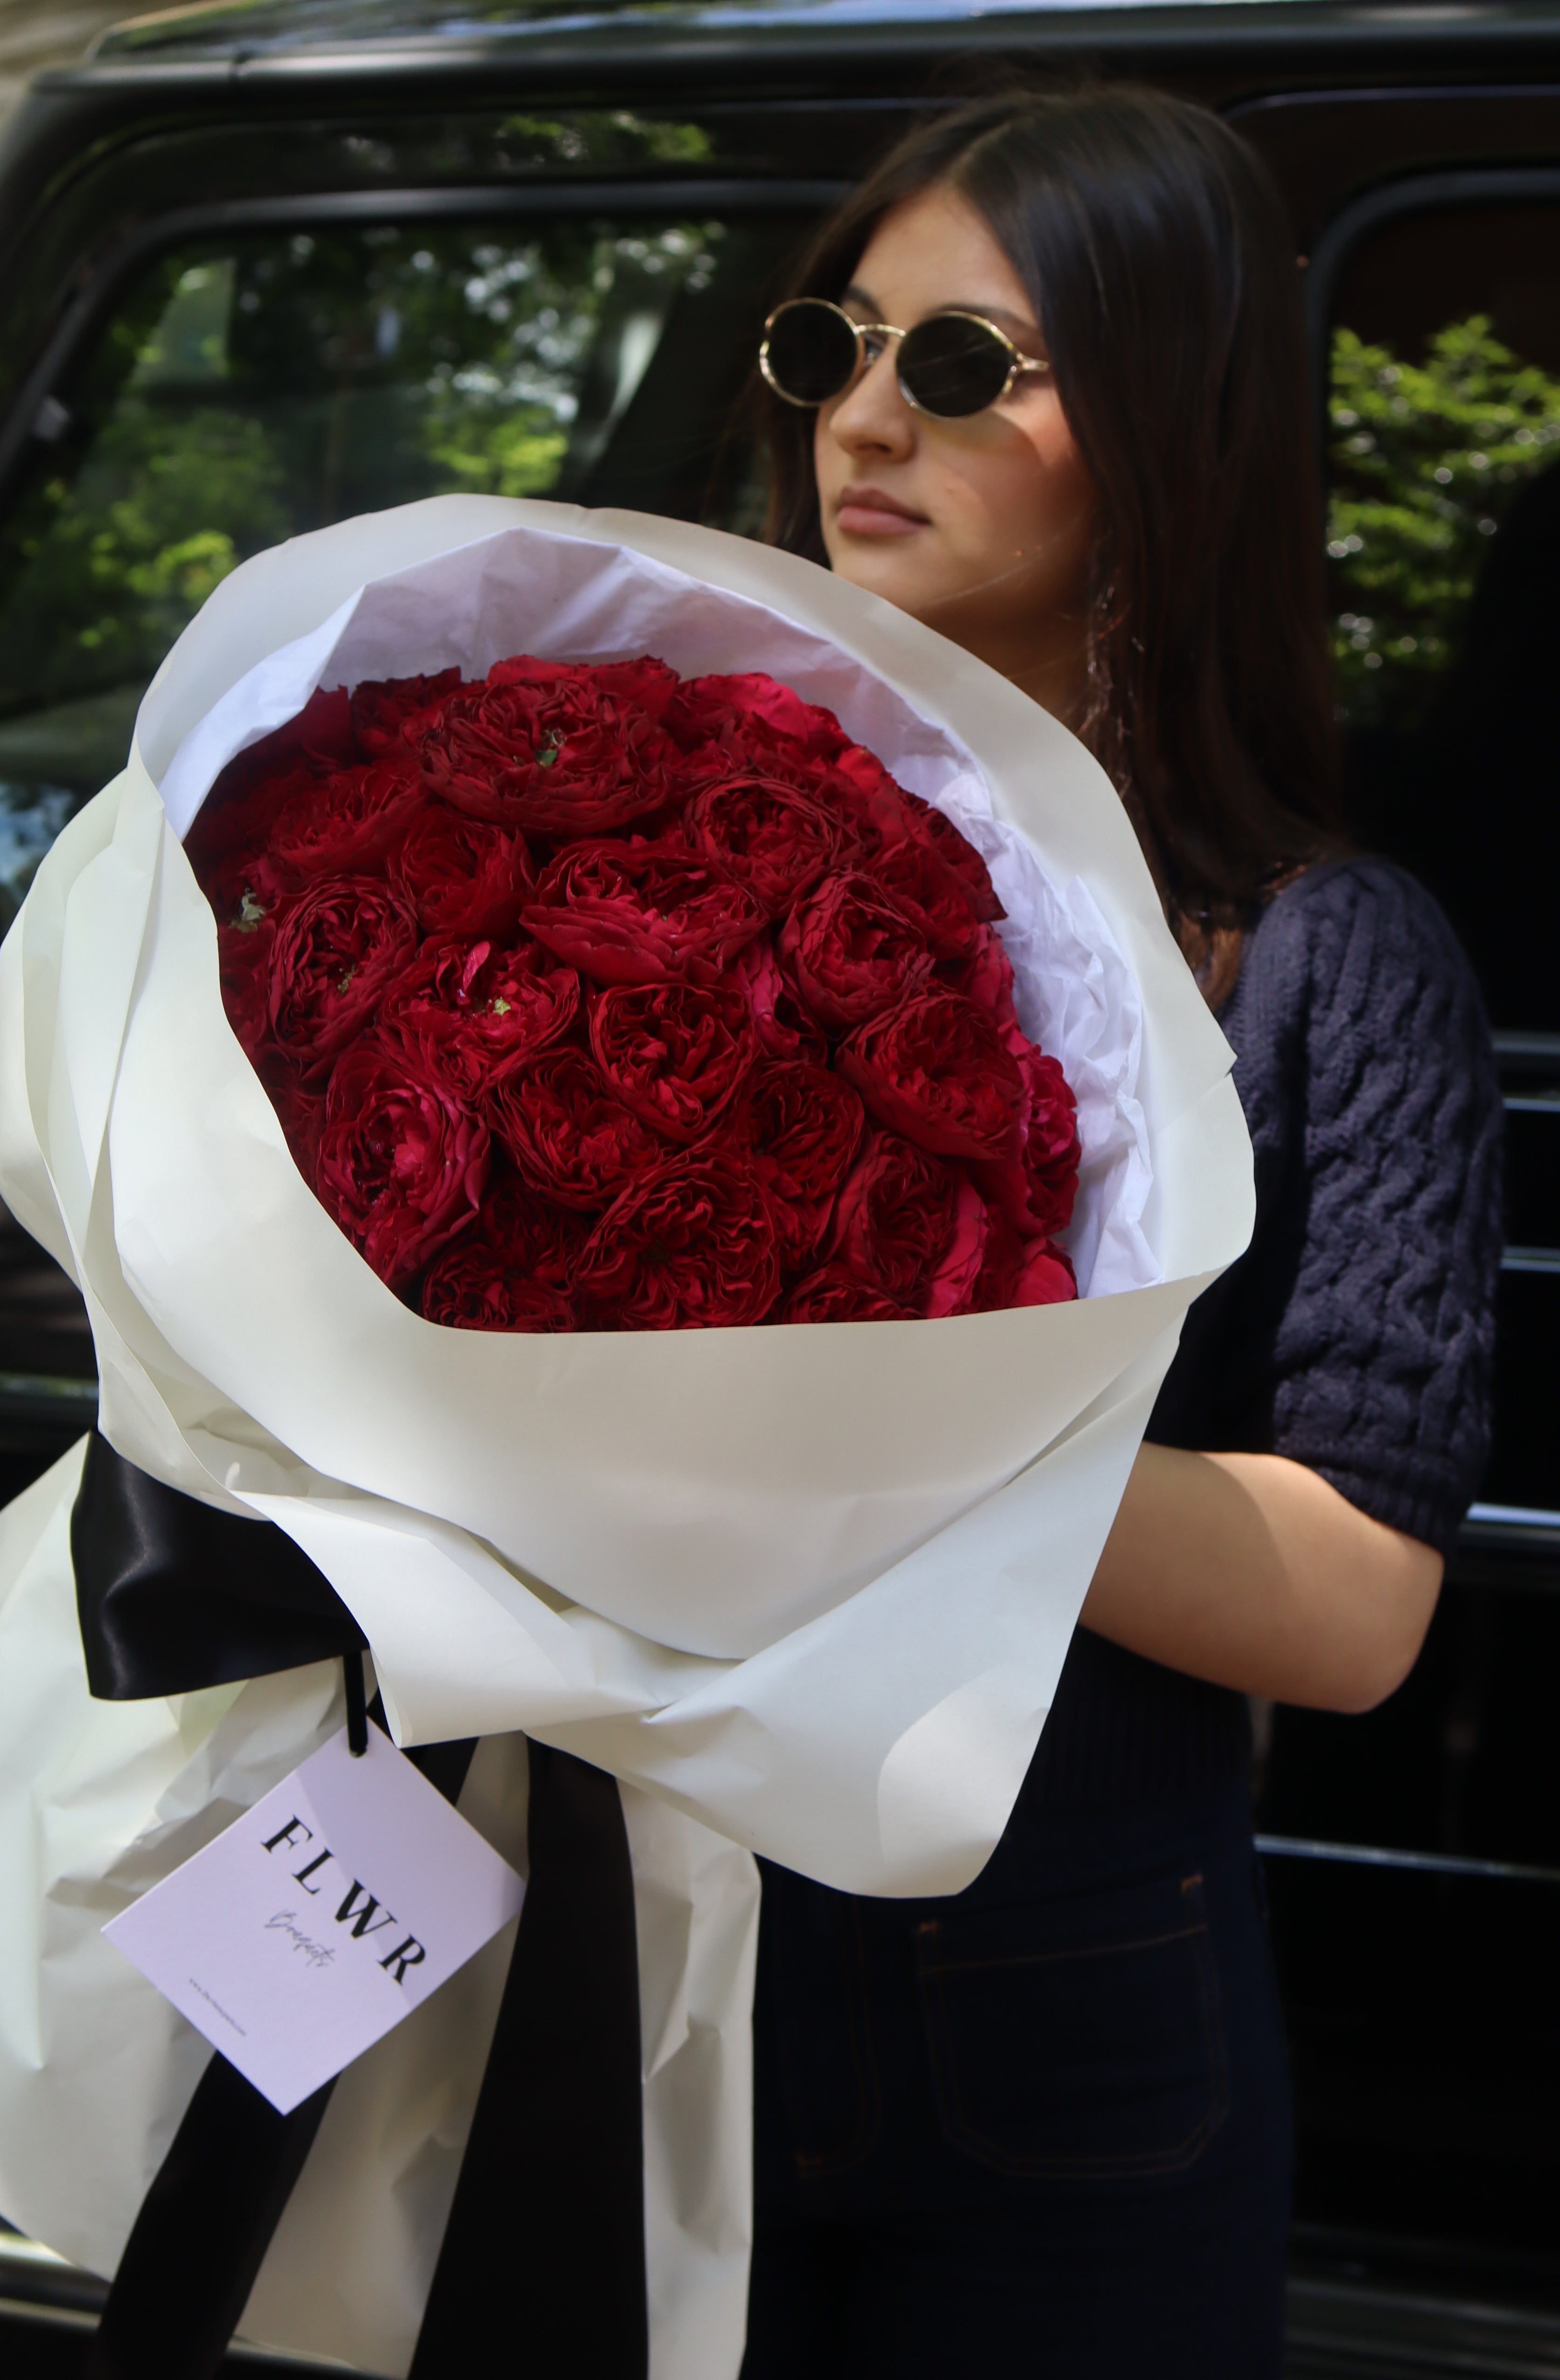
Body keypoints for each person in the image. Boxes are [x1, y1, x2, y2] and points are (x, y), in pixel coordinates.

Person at [744, 86, 1501, 2379]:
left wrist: (849, 1404)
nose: (872, 417)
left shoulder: (1321, 954)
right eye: (838, 345)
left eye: (969, 366)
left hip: (1067, 1989)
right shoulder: (654, 836)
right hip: (631, 1935)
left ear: (1164, 436)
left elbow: (1359, 1598)